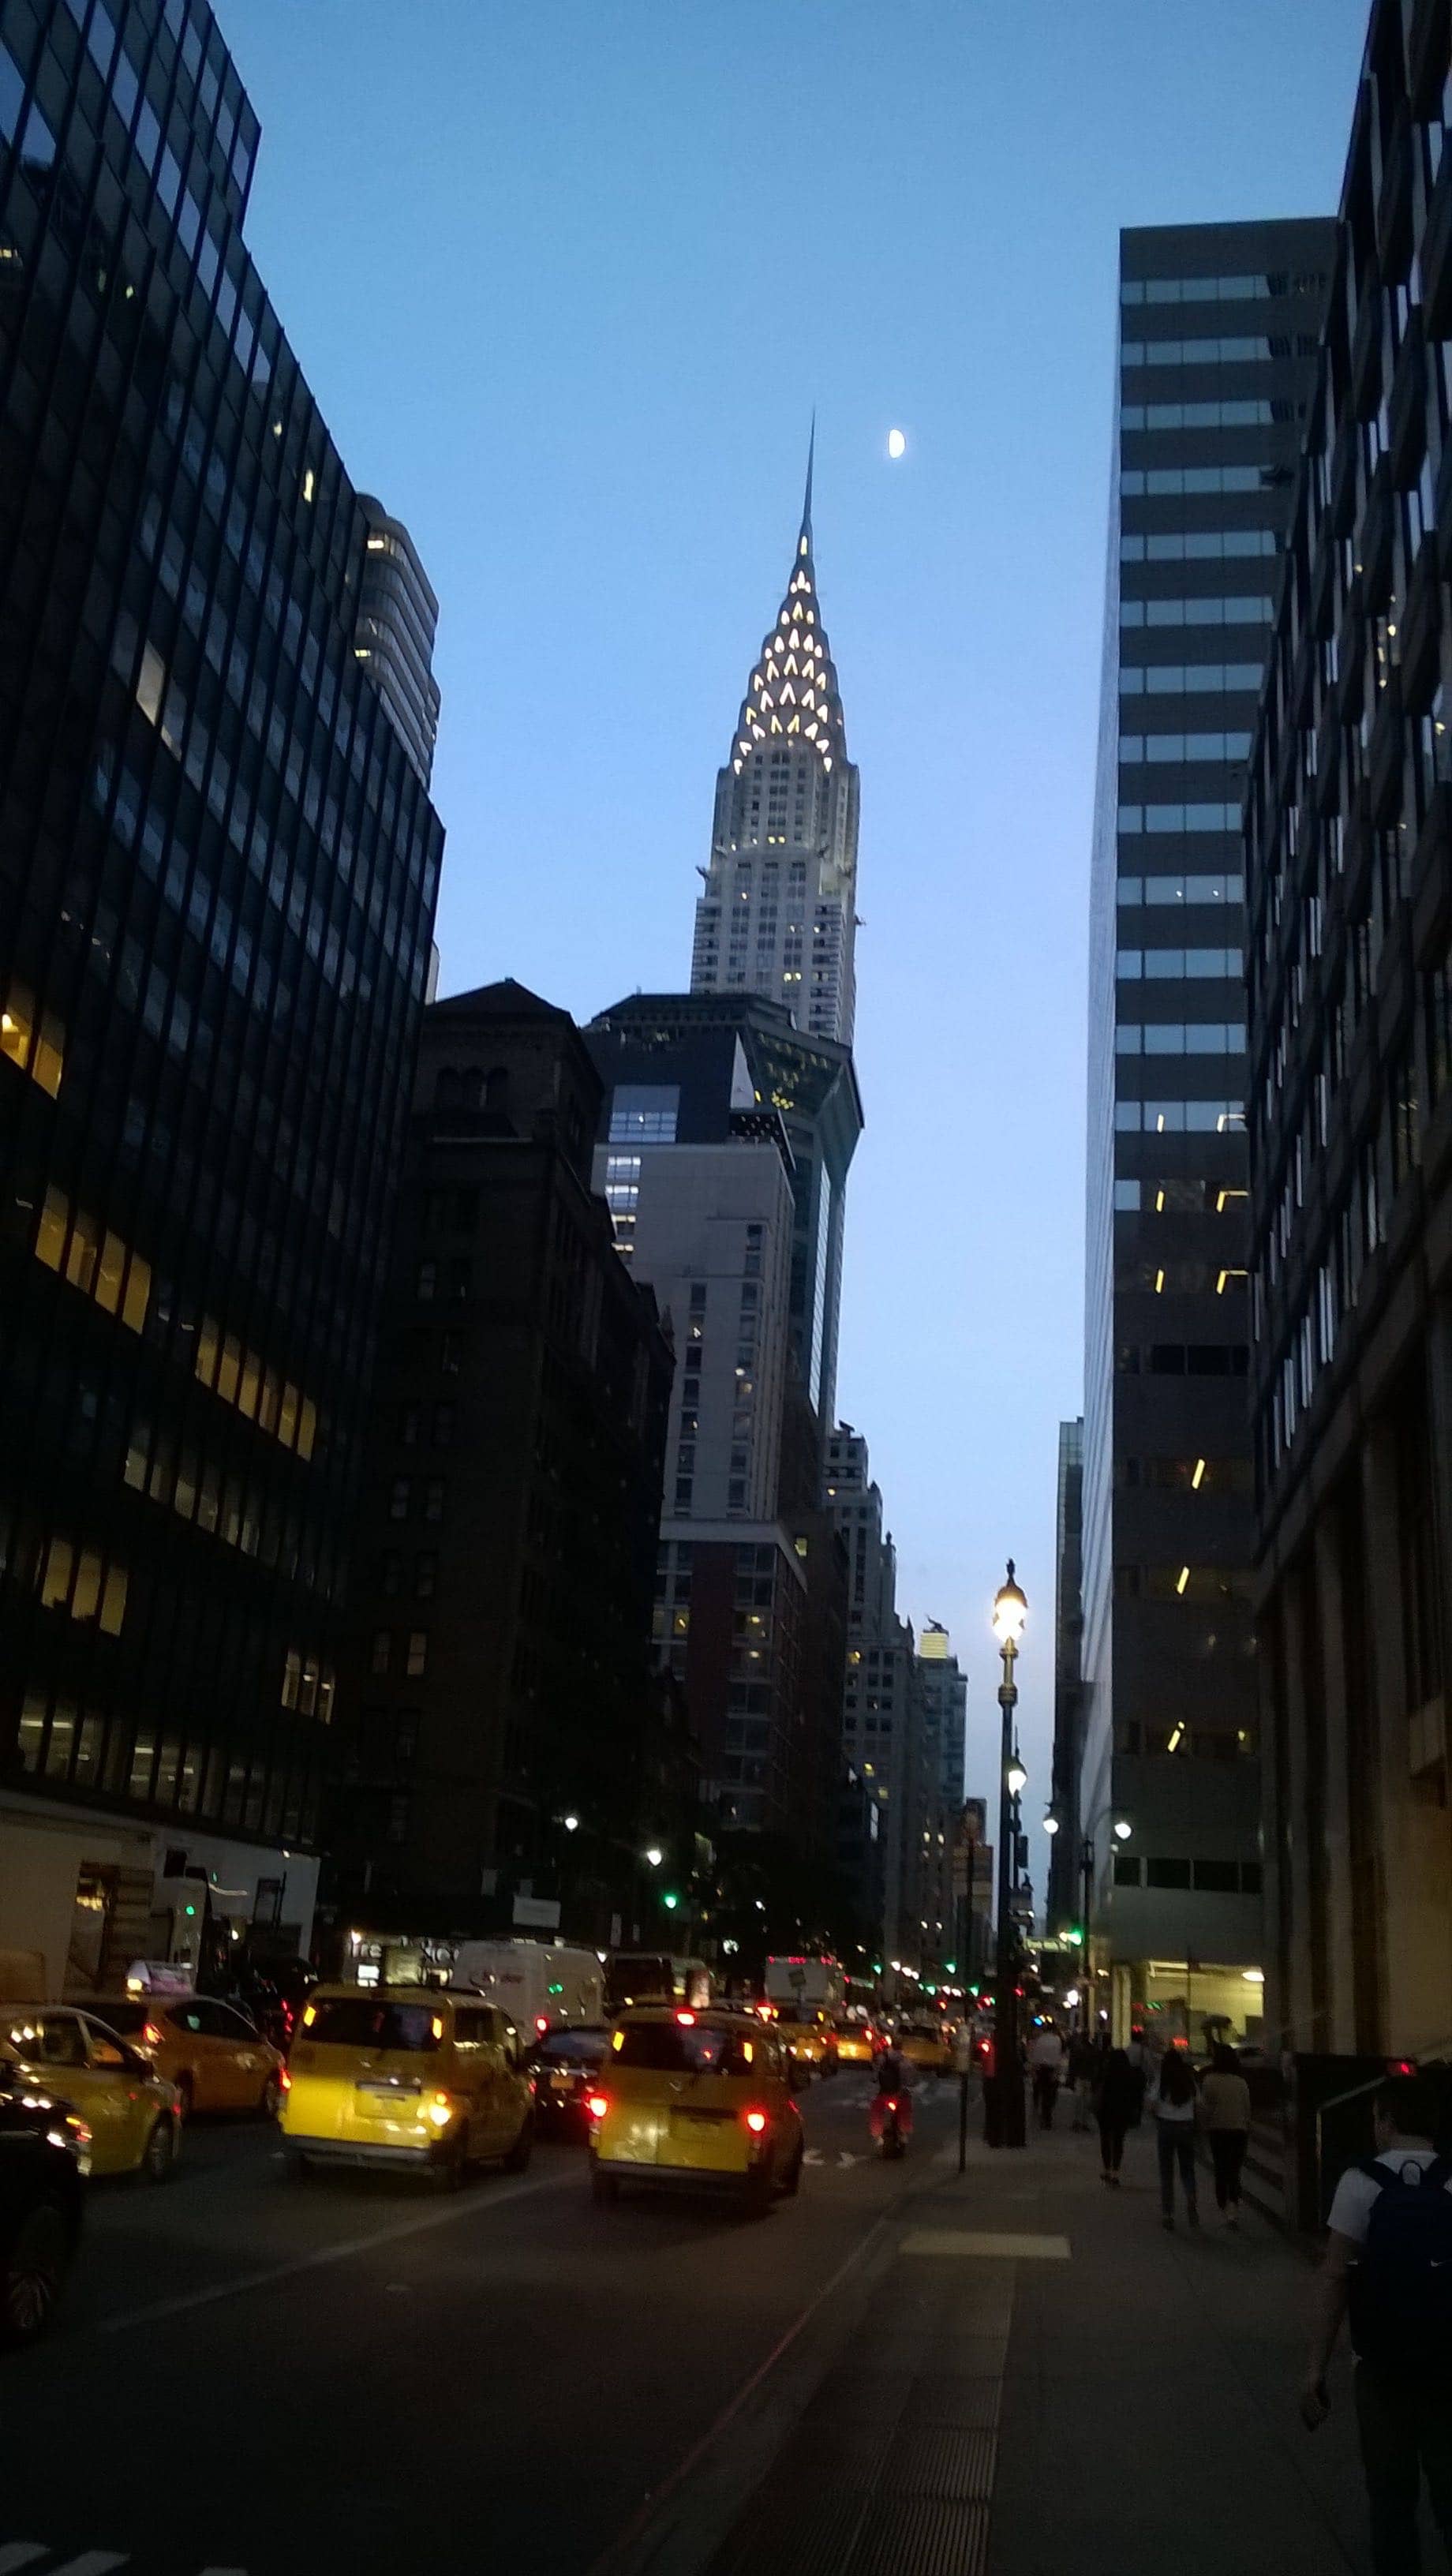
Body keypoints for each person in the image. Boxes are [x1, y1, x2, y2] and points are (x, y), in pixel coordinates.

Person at [1302, 2072, 1452, 2576]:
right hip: (1447, 2362)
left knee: (1391, 2498)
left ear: (1387, 2120)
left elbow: (1334, 2278)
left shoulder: (1360, 2182)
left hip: (1380, 2366)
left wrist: (1315, 2370)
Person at [1200, 2042, 1252, 2228]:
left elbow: (1206, 2107)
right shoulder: (1241, 2082)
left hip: (1218, 2130)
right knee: (1234, 2170)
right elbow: (1247, 2109)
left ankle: (1223, 2202)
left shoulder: (1209, 2080)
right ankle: (1233, 2209)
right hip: (1238, 2130)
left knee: (1221, 2167)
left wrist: (1203, 2127)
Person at [1152, 2044, 1199, 2230]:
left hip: (1166, 2125)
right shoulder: (1189, 2079)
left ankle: (1168, 2213)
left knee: (1167, 2172)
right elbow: (1199, 2102)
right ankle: (1191, 2196)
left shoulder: (1162, 2079)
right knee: (1187, 2168)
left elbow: (1151, 2102)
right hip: (1187, 2125)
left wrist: (1156, 2113)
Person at [1095, 2045, 1140, 2186]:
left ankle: (1106, 2169)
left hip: (1105, 2110)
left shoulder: (1106, 2073)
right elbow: (1135, 2095)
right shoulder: (1130, 2076)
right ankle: (1115, 2172)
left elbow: (1096, 2087)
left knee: (1105, 2140)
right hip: (1122, 2111)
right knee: (1118, 2141)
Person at [1030, 2022, 1065, 2129]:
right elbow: (1058, 2057)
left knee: (1043, 2094)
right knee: (1051, 2095)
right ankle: (1047, 2117)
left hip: (1041, 2069)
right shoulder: (1057, 2040)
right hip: (1052, 2069)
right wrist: (1057, 2072)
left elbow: (1036, 2057)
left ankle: (1044, 2117)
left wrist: (1034, 2072)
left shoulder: (1039, 2040)